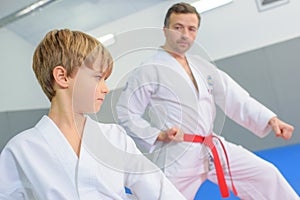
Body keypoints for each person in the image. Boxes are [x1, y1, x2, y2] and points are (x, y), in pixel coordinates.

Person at [116, 2, 299, 200]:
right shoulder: (149, 69)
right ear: (166, 30)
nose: (185, 34)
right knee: (159, 197)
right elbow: (125, 112)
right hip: (178, 153)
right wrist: (157, 134)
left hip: (212, 146)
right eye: (178, 27)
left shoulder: (202, 67)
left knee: (266, 175)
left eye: (191, 29)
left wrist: (270, 119)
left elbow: (234, 97)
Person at [0, 29, 187, 200]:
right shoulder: (21, 149)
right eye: (98, 78)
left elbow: (160, 191)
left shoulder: (114, 137)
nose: (106, 89)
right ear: (62, 77)